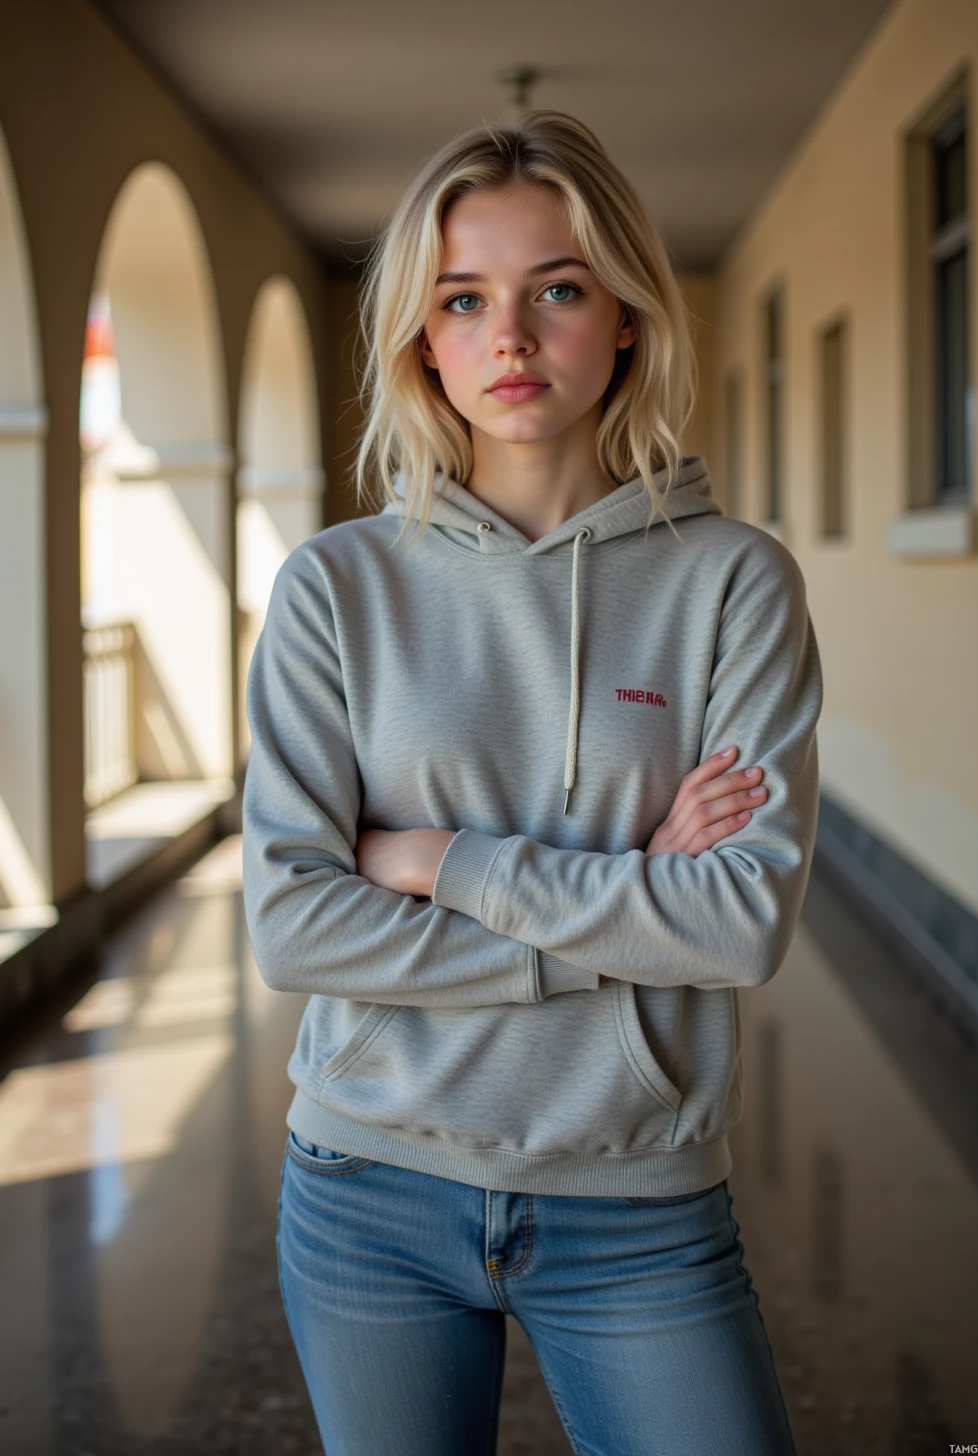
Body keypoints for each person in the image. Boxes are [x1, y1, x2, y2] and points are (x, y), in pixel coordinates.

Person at [242, 110, 822, 1456]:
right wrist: (627, 921)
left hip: (641, 1200)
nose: (509, 338)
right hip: (366, 1182)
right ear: (423, 338)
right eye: (464, 299)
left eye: (555, 289)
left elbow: (739, 924)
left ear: (623, 313)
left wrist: (436, 859)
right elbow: (293, 927)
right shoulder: (338, 589)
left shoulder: (731, 581)